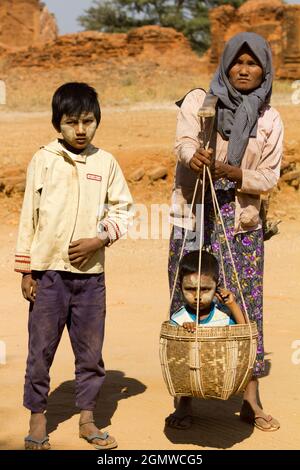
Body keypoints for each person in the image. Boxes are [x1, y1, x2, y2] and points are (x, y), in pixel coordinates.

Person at [167, 32, 283, 431]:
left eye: (254, 63)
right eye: (238, 61)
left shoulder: (270, 118)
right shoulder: (200, 101)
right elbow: (182, 141)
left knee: (246, 309)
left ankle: (251, 400)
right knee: (189, 301)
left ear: (265, 69)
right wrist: (193, 155)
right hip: (196, 214)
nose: (245, 69)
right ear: (226, 64)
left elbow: (269, 177)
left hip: (241, 224)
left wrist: (238, 174)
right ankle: (184, 397)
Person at [15, 82, 133, 450]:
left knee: (90, 353)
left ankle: (87, 418)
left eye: (88, 121)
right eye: (71, 122)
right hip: (48, 276)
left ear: (97, 121)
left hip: (90, 279)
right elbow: (28, 217)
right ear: (57, 124)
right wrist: (27, 269)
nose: (80, 130)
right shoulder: (44, 159)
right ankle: (37, 418)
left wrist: (100, 238)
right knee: (40, 352)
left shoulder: (105, 162)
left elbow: (124, 210)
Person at [170, 250, 245, 332]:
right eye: (190, 289)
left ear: (216, 287)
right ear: (180, 288)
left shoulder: (224, 314)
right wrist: (184, 330)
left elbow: (244, 333)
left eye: (205, 289)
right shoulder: (179, 319)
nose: (197, 296)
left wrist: (232, 305)